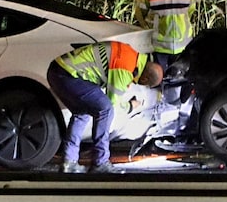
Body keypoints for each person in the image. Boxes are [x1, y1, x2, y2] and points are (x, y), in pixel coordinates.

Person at [47, 41, 164, 173]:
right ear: (145, 79)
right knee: (105, 109)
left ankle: (69, 162)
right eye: (146, 84)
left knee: (81, 113)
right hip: (68, 76)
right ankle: (100, 162)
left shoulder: (130, 55)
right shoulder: (126, 68)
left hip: (57, 71)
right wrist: (131, 106)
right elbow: (113, 103)